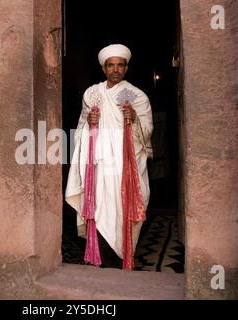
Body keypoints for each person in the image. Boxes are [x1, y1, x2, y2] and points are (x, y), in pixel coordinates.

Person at [65, 44, 153, 269]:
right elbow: (81, 126)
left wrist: (133, 118)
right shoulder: (92, 93)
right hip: (99, 163)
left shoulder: (136, 96)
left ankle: (122, 254)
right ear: (103, 68)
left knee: (122, 206)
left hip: (124, 166)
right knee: (99, 207)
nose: (115, 70)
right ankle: (101, 256)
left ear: (126, 68)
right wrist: (90, 127)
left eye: (120, 65)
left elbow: (147, 132)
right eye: (110, 65)